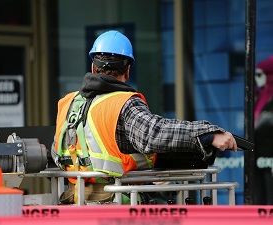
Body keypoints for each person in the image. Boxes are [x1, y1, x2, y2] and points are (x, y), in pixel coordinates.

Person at [51, 30, 238, 205]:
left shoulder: (67, 103)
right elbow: (154, 133)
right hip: (115, 206)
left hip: (74, 204)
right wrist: (208, 134)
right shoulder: (123, 103)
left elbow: (57, 152)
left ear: (93, 66)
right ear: (127, 70)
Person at [253, 56, 273, 205]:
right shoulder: (258, 96)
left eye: (260, 74)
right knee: (258, 199)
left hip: (270, 156)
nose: (257, 79)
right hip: (258, 155)